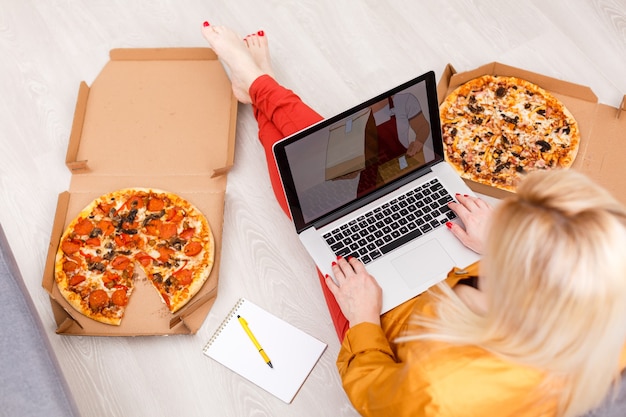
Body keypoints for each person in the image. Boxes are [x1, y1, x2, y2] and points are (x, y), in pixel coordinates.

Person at [201, 22, 626, 417]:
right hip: (478, 296)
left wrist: (364, 319)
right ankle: (259, 89)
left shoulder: (443, 394)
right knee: (355, 180)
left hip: (387, 318)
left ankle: (260, 88)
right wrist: (496, 247)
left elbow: (373, 394)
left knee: (325, 197)